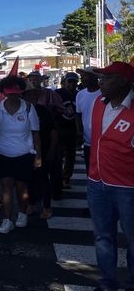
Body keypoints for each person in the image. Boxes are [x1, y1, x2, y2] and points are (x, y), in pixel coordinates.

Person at [87, 62, 134, 291]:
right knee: (103, 237)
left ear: (124, 81)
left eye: (107, 78)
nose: (101, 82)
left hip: (128, 187)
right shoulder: (98, 103)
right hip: (97, 183)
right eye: (101, 77)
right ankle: (107, 282)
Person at [0, 76, 41, 234]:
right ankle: (7, 220)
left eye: (16, 92)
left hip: (24, 154)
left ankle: (22, 213)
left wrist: (38, 155)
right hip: (2, 153)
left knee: (21, 187)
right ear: (4, 92)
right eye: (9, 92)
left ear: (20, 92)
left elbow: (35, 133)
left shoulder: (28, 108)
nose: (13, 95)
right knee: (6, 187)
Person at [22, 83, 57, 220]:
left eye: (33, 94)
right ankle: (30, 204)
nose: (31, 97)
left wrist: (52, 149)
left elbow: (53, 131)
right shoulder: (20, 111)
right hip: (25, 151)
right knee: (28, 179)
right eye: (28, 94)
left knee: (43, 180)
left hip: (43, 150)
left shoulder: (43, 111)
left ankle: (47, 207)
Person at [75, 67, 101, 175]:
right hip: (88, 142)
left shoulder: (104, 93)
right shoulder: (80, 94)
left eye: (85, 76)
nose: (82, 79)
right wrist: (79, 132)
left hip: (102, 142)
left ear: (95, 77)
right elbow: (78, 116)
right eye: (82, 76)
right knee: (90, 172)